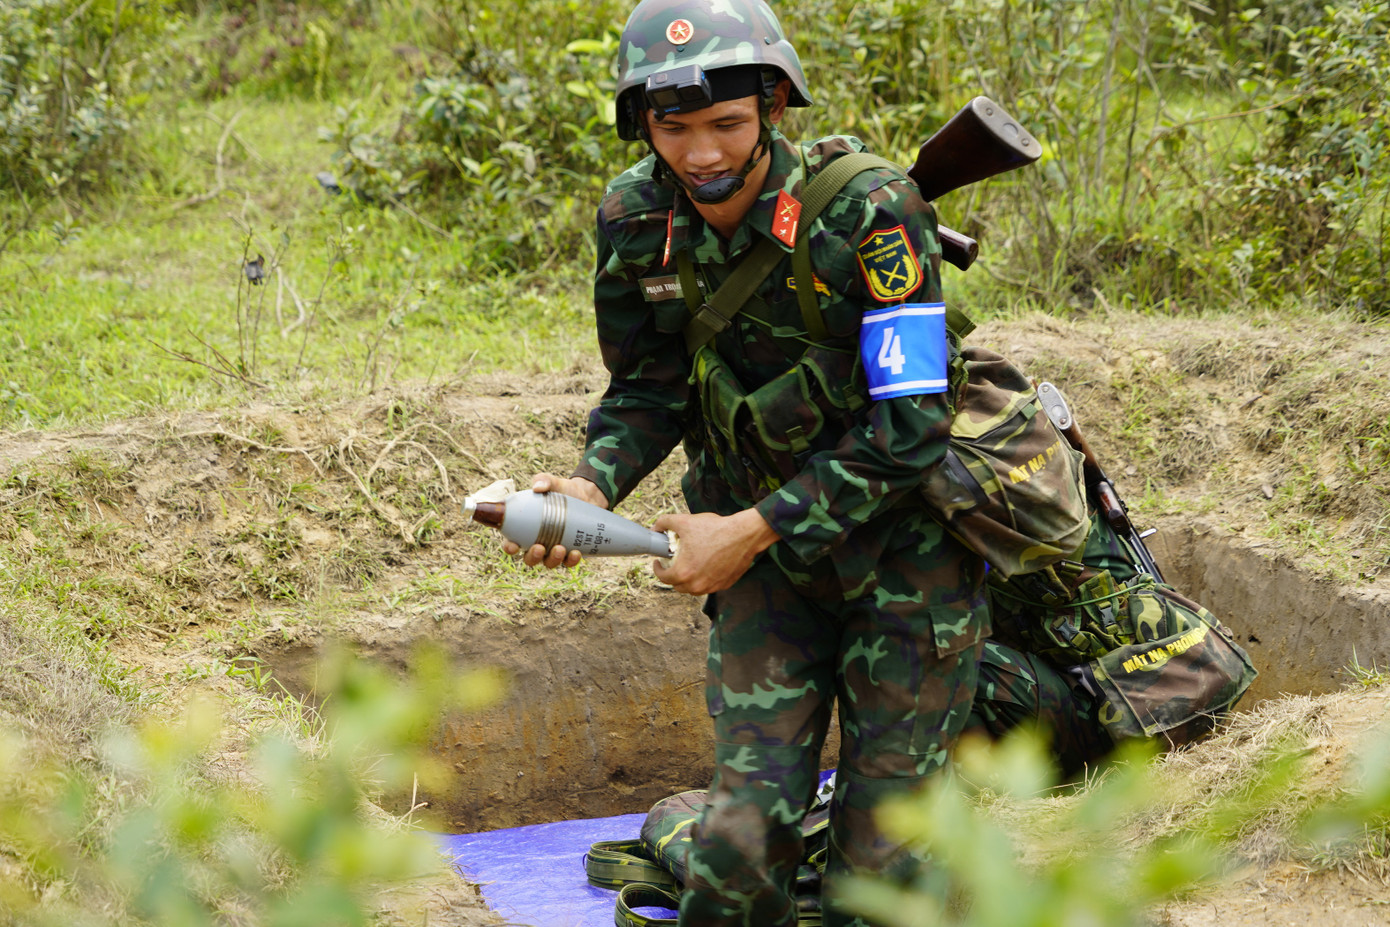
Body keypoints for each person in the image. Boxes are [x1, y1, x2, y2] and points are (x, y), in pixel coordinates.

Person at [503, 1, 992, 924]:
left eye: (726, 124)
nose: (702, 155)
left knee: (875, 880)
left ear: (772, 105)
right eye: (674, 128)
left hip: (905, 565)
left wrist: (751, 527)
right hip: (766, 573)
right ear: (642, 123)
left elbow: (914, 426)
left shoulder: (872, 212)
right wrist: (591, 484)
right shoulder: (635, 216)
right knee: (737, 859)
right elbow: (649, 389)